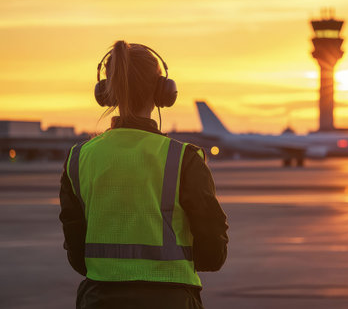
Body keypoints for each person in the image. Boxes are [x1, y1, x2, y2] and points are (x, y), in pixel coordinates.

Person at [58, 40, 229, 309]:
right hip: (170, 299)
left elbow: (78, 255)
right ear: (163, 92)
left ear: (106, 91)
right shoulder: (183, 158)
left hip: (100, 299)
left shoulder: (79, 158)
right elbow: (213, 254)